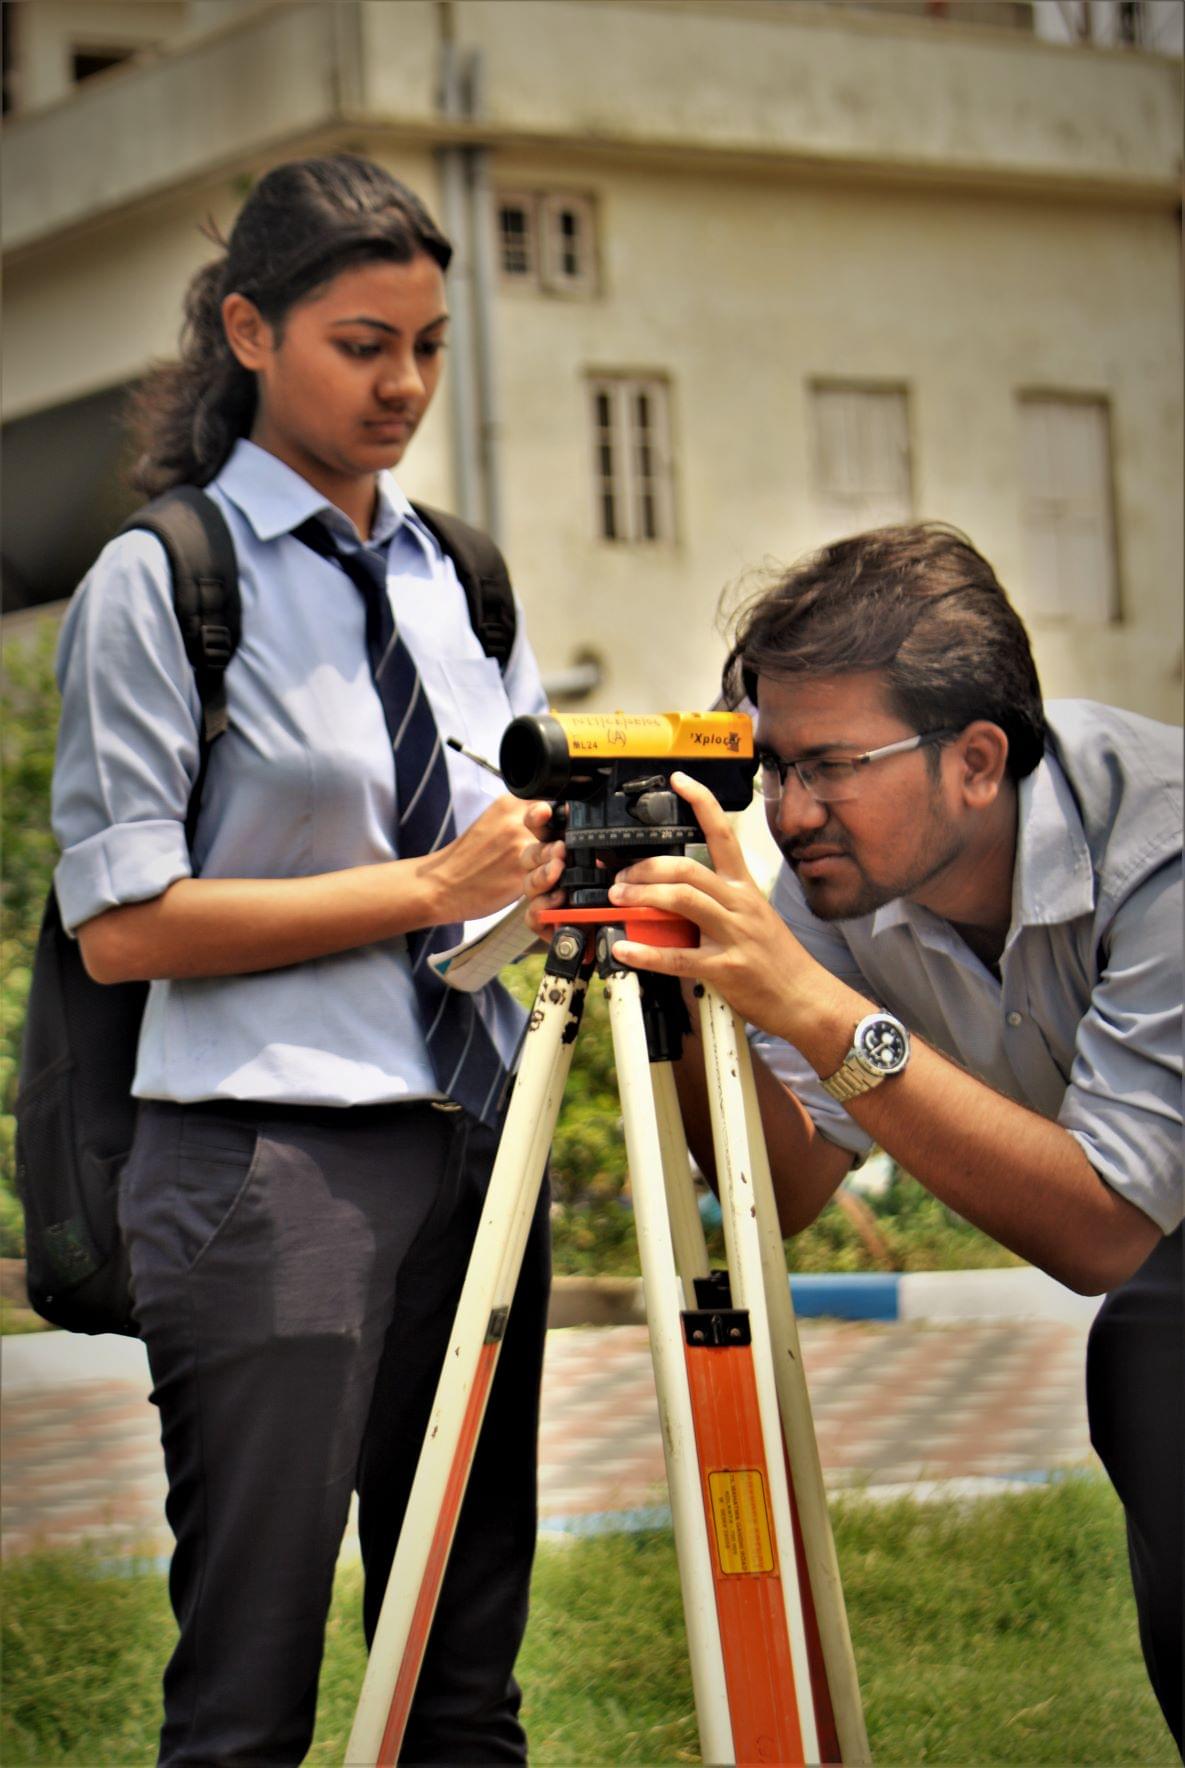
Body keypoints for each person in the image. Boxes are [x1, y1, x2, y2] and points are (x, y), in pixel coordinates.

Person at [524, 521, 1184, 1754]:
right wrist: (685, 985)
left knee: (1150, 1350)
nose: (789, 811)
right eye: (771, 765)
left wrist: (816, 1008)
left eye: (829, 766)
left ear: (976, 761)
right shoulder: (841, 882)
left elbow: (1103, 1230)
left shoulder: (1164, 846)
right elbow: (779, 1186)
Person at [52, 154, 551, 1765]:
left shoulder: (463, 580)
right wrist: (427, 886)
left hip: (479, 1144)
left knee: (462, 1684)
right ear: (251, 331)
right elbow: (124, 925)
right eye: (362, 344)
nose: (403, 383)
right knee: (248, 1697)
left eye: (428, 346)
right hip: (268, 1169)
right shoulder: (164, 581)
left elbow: (505, 851)